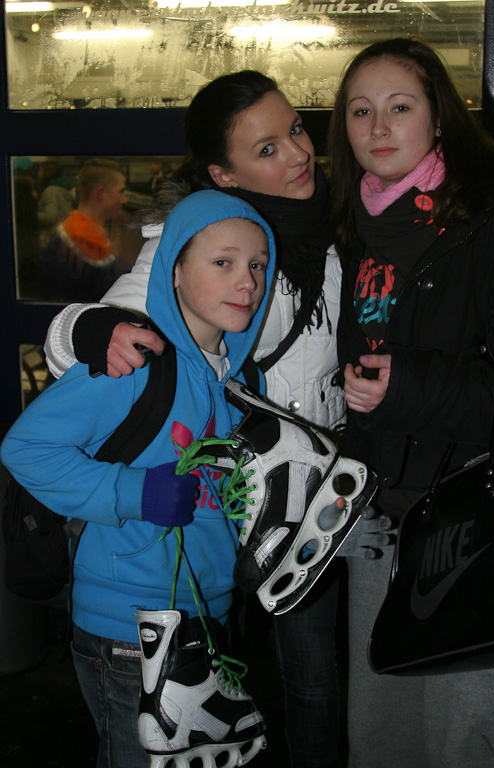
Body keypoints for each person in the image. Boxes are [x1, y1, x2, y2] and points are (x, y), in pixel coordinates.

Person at [43, 71, 352, 768]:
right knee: (196, 692)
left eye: (295, 131)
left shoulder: (338, 235)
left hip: (303, 501)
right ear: (223, 173)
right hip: (207, 519)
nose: (298, 154)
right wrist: (92, 333)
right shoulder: (197, 242)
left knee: (311, 676)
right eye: (266, 149)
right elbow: (86, 337)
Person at [1, 189, 276, 768]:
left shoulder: (241, 382)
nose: (246, 282)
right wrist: (134, 492)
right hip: (128, 628)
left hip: (208, 618)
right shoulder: (134, 363)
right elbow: (26, 448)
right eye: (222, 262)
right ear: (174, 270)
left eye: (257, 265)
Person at [329, 37, 494, 768]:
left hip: (472, 524)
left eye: (399, 107)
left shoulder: (493, 222)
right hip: (378, 515)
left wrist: (407, 387)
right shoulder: (350, 228)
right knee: (381, 729)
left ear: (439, 118)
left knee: (467, 734)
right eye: (360, 111)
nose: (378, 127)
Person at [40, 158, 127, 302]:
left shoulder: (79, 233)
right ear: (101, 193)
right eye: (121, 192)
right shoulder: (80, 240)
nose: (124, 200)